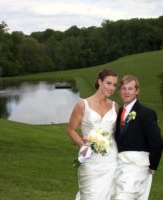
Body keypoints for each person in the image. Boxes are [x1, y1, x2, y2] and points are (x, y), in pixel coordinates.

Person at [67, 69, 119, 200]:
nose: (112, 88)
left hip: (111, 160)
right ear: (99, 82)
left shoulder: (115, 107)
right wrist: (83, 145)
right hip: (90, 160)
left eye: (114, 85)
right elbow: (71, 130)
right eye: (108, 83)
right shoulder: (82, 105)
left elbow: (118, 133)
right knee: (91, 194)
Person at [113, 75, 163, 200]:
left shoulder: (147, 113)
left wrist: (152, 166)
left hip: (137, 166)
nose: (126, 92)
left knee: (123, 196)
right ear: (120, 91)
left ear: (137, 91)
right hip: (118, 165)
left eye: (130, 89)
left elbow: (158, 143)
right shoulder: (118, 112)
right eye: (124, 88)